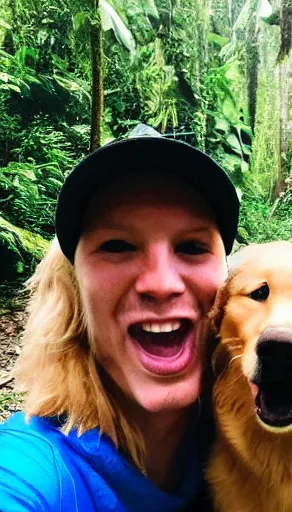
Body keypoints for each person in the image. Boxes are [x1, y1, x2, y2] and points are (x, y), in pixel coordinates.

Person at [0, 127, 240, 511]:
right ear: (73, 291)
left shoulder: (249, 445)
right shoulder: (35, 474)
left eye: (192, 247)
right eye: (118, 246)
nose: (161, 284)